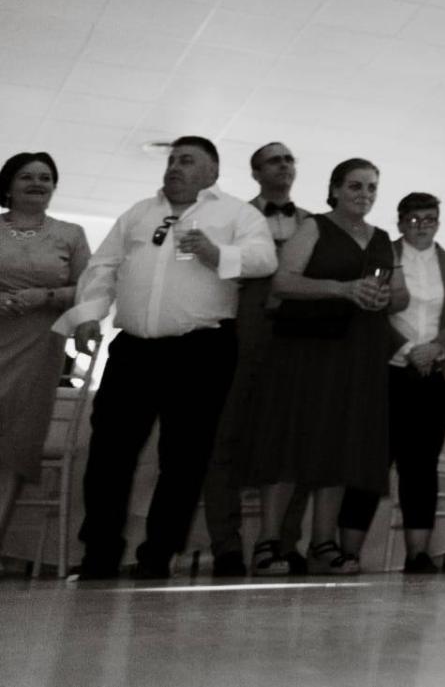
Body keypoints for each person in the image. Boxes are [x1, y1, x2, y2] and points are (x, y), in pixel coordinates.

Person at [55, 137, 276, 580]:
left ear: (212, 172)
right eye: (172, 160)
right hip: (134, 349)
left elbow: (264, 260)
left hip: (202, 349)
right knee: (108, 454)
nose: (174, 167)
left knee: (184, 458)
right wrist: (88, 315)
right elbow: (103, 267)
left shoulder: (236, 213)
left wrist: (218, 255)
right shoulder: (139, 212)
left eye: (187, 160)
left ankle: (157, 557)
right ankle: (98, 555)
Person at [245, 158, 405, 576]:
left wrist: (383, 297)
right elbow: (283, 282)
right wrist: (343, 288)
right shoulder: (314, 227)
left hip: (358, 352)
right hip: (307, 350)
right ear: (335, 189)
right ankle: (268, 541)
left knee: (341, 444)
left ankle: (323, 542)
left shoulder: (383, 238)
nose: (364, 195)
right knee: (291, 440)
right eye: (355, 186)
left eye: (372, 188)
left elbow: (400, 295)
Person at [337, 193, 445, 574]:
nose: (422, 225)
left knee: (421, 465)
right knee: (371, 460)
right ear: (400, 223)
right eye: (414, 219)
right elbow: (372, 313)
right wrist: (409, 347)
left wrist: (435, 348)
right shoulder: (384, 257)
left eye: (430, 218)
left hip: (435, 376)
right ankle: (348, 553)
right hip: (386, 372)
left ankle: (418, 554)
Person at [201, 142, 302, 576]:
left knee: (292, 444)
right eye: (275, 160)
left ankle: (280, 542)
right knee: (225, 440)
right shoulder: (234, 218)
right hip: (241, 340)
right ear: (256, 172)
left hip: (298, 346)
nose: (285, 165)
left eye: (289, 159)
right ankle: (225, 544)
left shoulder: (313, 223)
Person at [0, 152, 89, 549]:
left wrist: (47, 295)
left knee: (15, 442)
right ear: (8, 185)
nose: (37, 183)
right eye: (26, 177)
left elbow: (92, 288)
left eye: (46, 177)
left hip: (38, 348)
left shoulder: (70, 233)